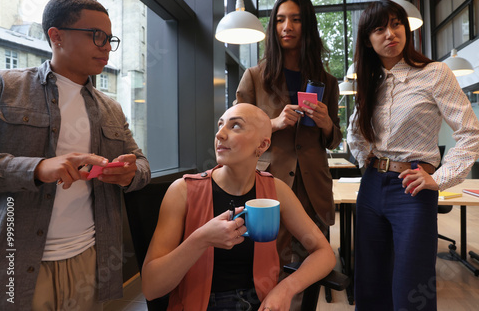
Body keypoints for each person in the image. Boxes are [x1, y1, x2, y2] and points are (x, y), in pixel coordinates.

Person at [0, 0, 151, 310]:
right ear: (56, 36)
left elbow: (142, 165)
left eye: (110, 39)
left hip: (90, 256)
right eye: (97, 36)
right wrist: (39, 169)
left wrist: (128, 173)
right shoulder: (8, 88)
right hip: (16, 255)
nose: (107, 46)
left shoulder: (111, 108)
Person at [347, 0, 479, 311]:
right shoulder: (371, 83)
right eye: (379, 29)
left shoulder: (434, 73)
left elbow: (472, 133)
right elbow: (354, 132)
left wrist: (439, 178)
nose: (390, 33)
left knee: (412, 284)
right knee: (369, 284)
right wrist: (366, 162)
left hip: (412, 186)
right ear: (368, 40)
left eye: (396, 24)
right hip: (371, 187)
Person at [141, 103, 335, 311]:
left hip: (261, 301)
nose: (220, 135)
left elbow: (324, 252)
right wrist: (201, 239)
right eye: (220, 125)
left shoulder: (276, 191)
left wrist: (286, 288)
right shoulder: (183, 191)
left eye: (235, 126)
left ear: (262, 145)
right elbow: (151, 288)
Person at [235, 0, 342, 267]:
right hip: (269, 185)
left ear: (307, 25)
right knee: (269, 266)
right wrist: (273, 123)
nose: (287, 27)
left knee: (311, 267)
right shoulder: (256, 77)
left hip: (313, 189)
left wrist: (327, 123)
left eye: (295, 19)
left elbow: (334, 139)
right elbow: (235, 131)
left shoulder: (327, 82)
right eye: (280, 20)